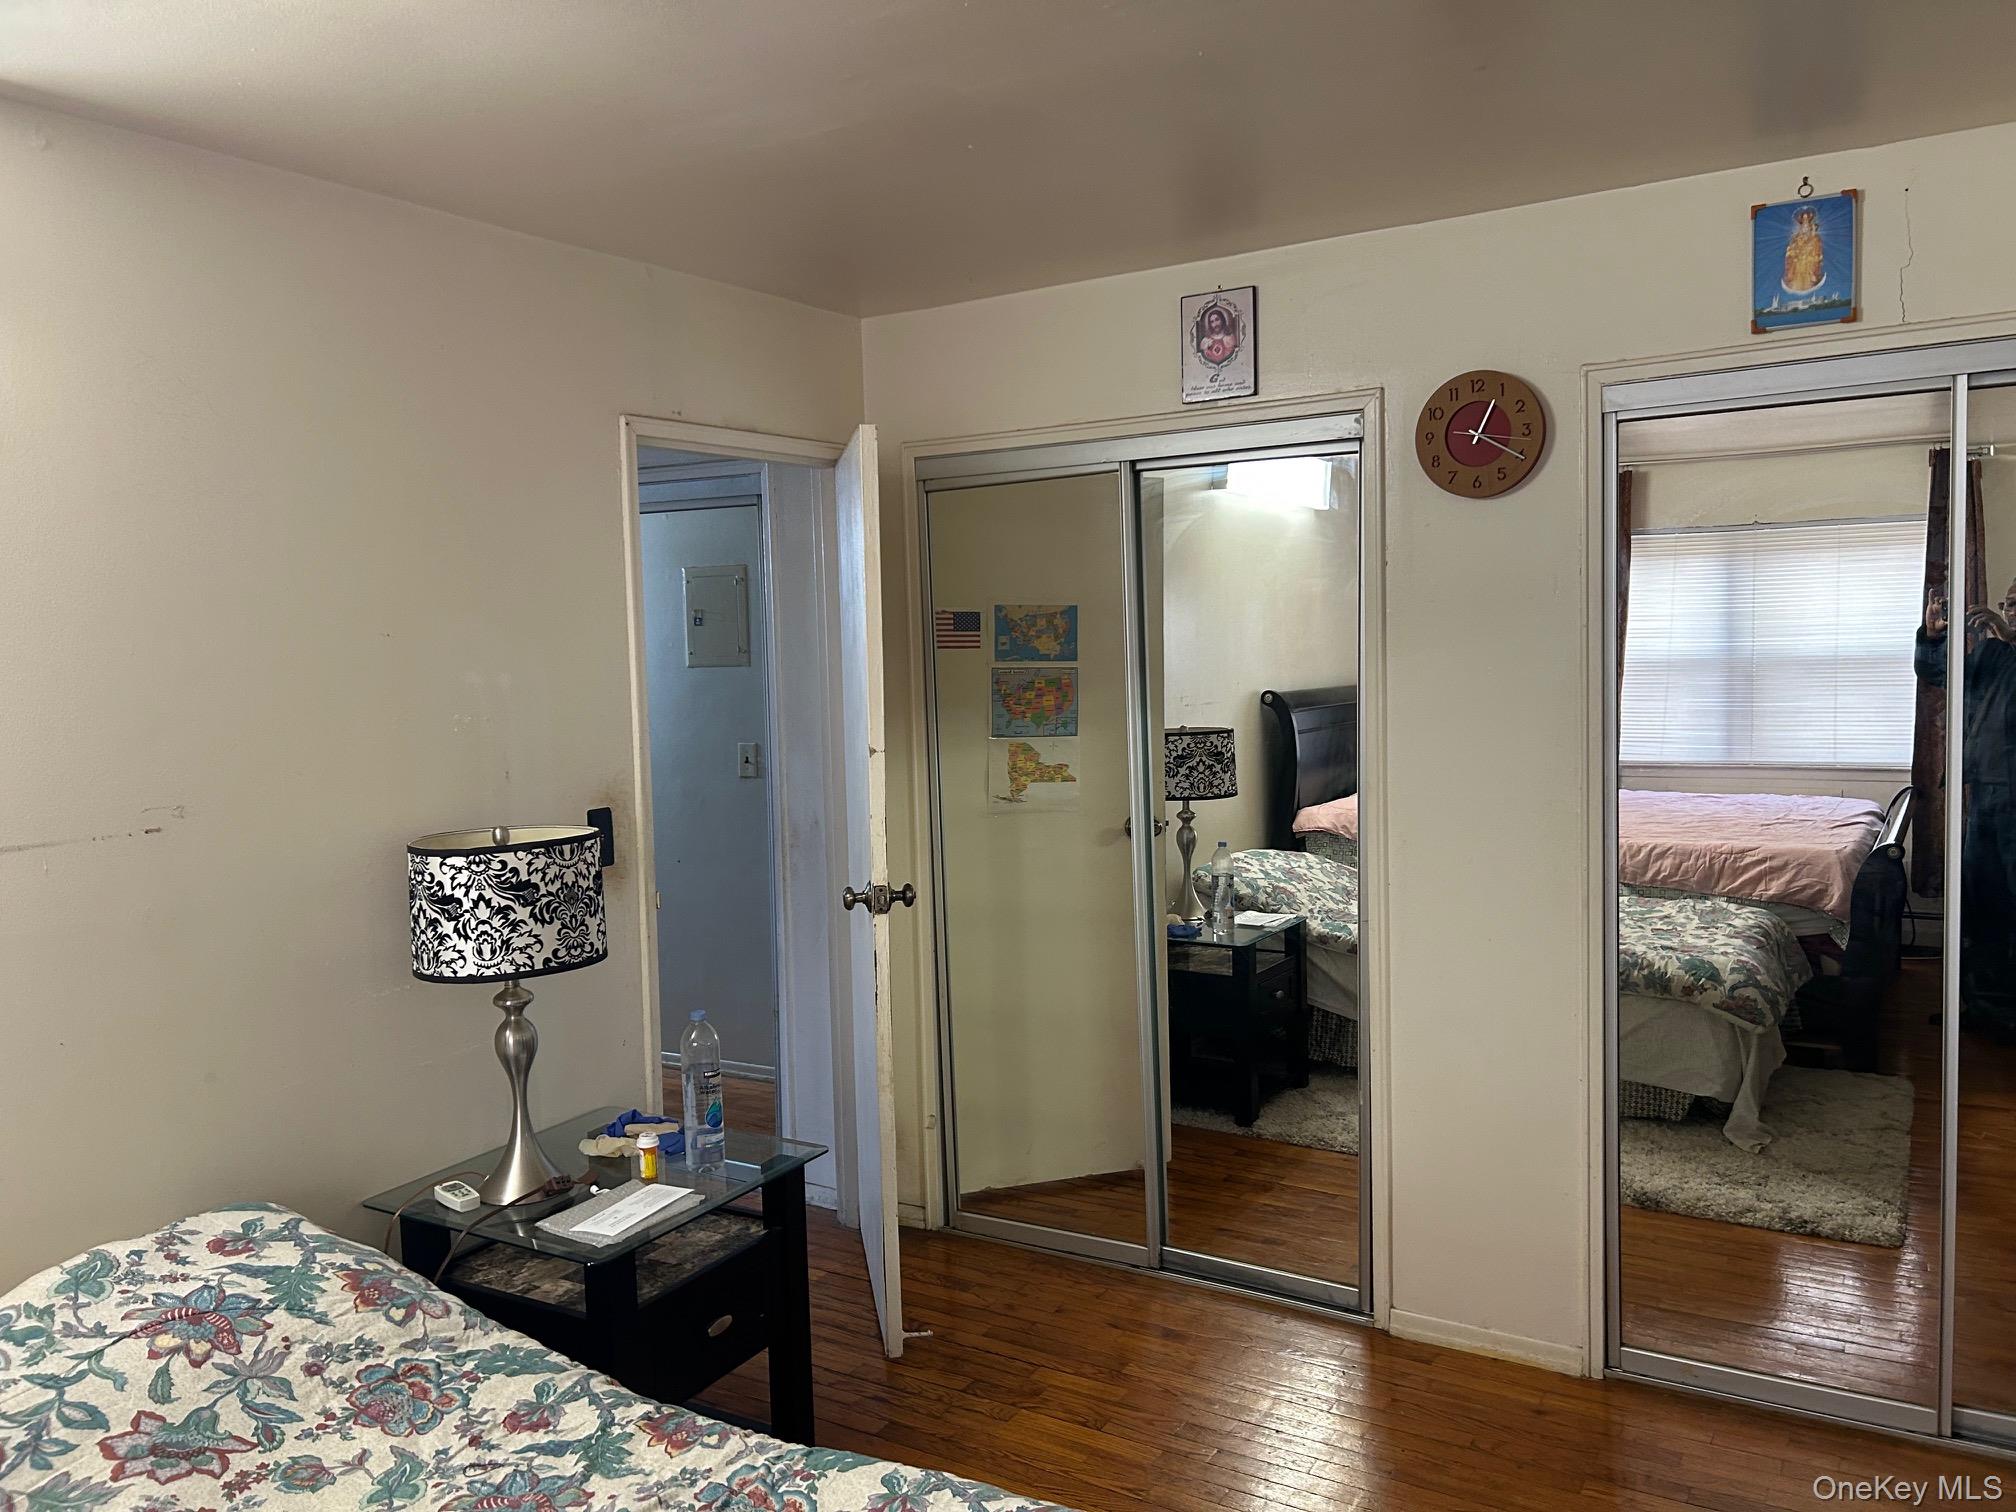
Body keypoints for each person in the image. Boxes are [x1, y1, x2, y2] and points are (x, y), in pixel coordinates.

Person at [1917, 584, 2016, 1035]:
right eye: (2008, 605)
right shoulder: (1994, 655)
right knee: (1981, 902)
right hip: (1988, 793)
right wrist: (1934, 636)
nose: (2009, 611)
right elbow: (1943, 677)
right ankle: (1982, 1008)